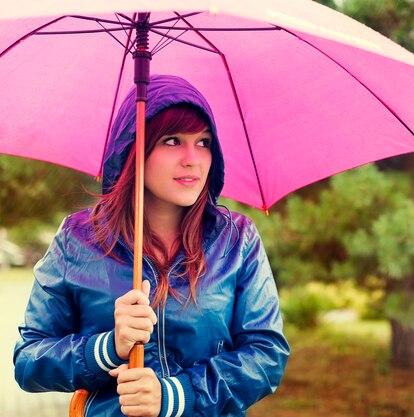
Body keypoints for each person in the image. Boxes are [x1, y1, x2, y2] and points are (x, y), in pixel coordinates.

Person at [13, 75, 290, 417]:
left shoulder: (236, 240)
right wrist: (108, 347)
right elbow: (28, 361)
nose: (193, 159)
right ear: (135, 149)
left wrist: (175, 395)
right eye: (173, 141)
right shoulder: (78, 240)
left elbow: (266, 354)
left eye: (203, 142)